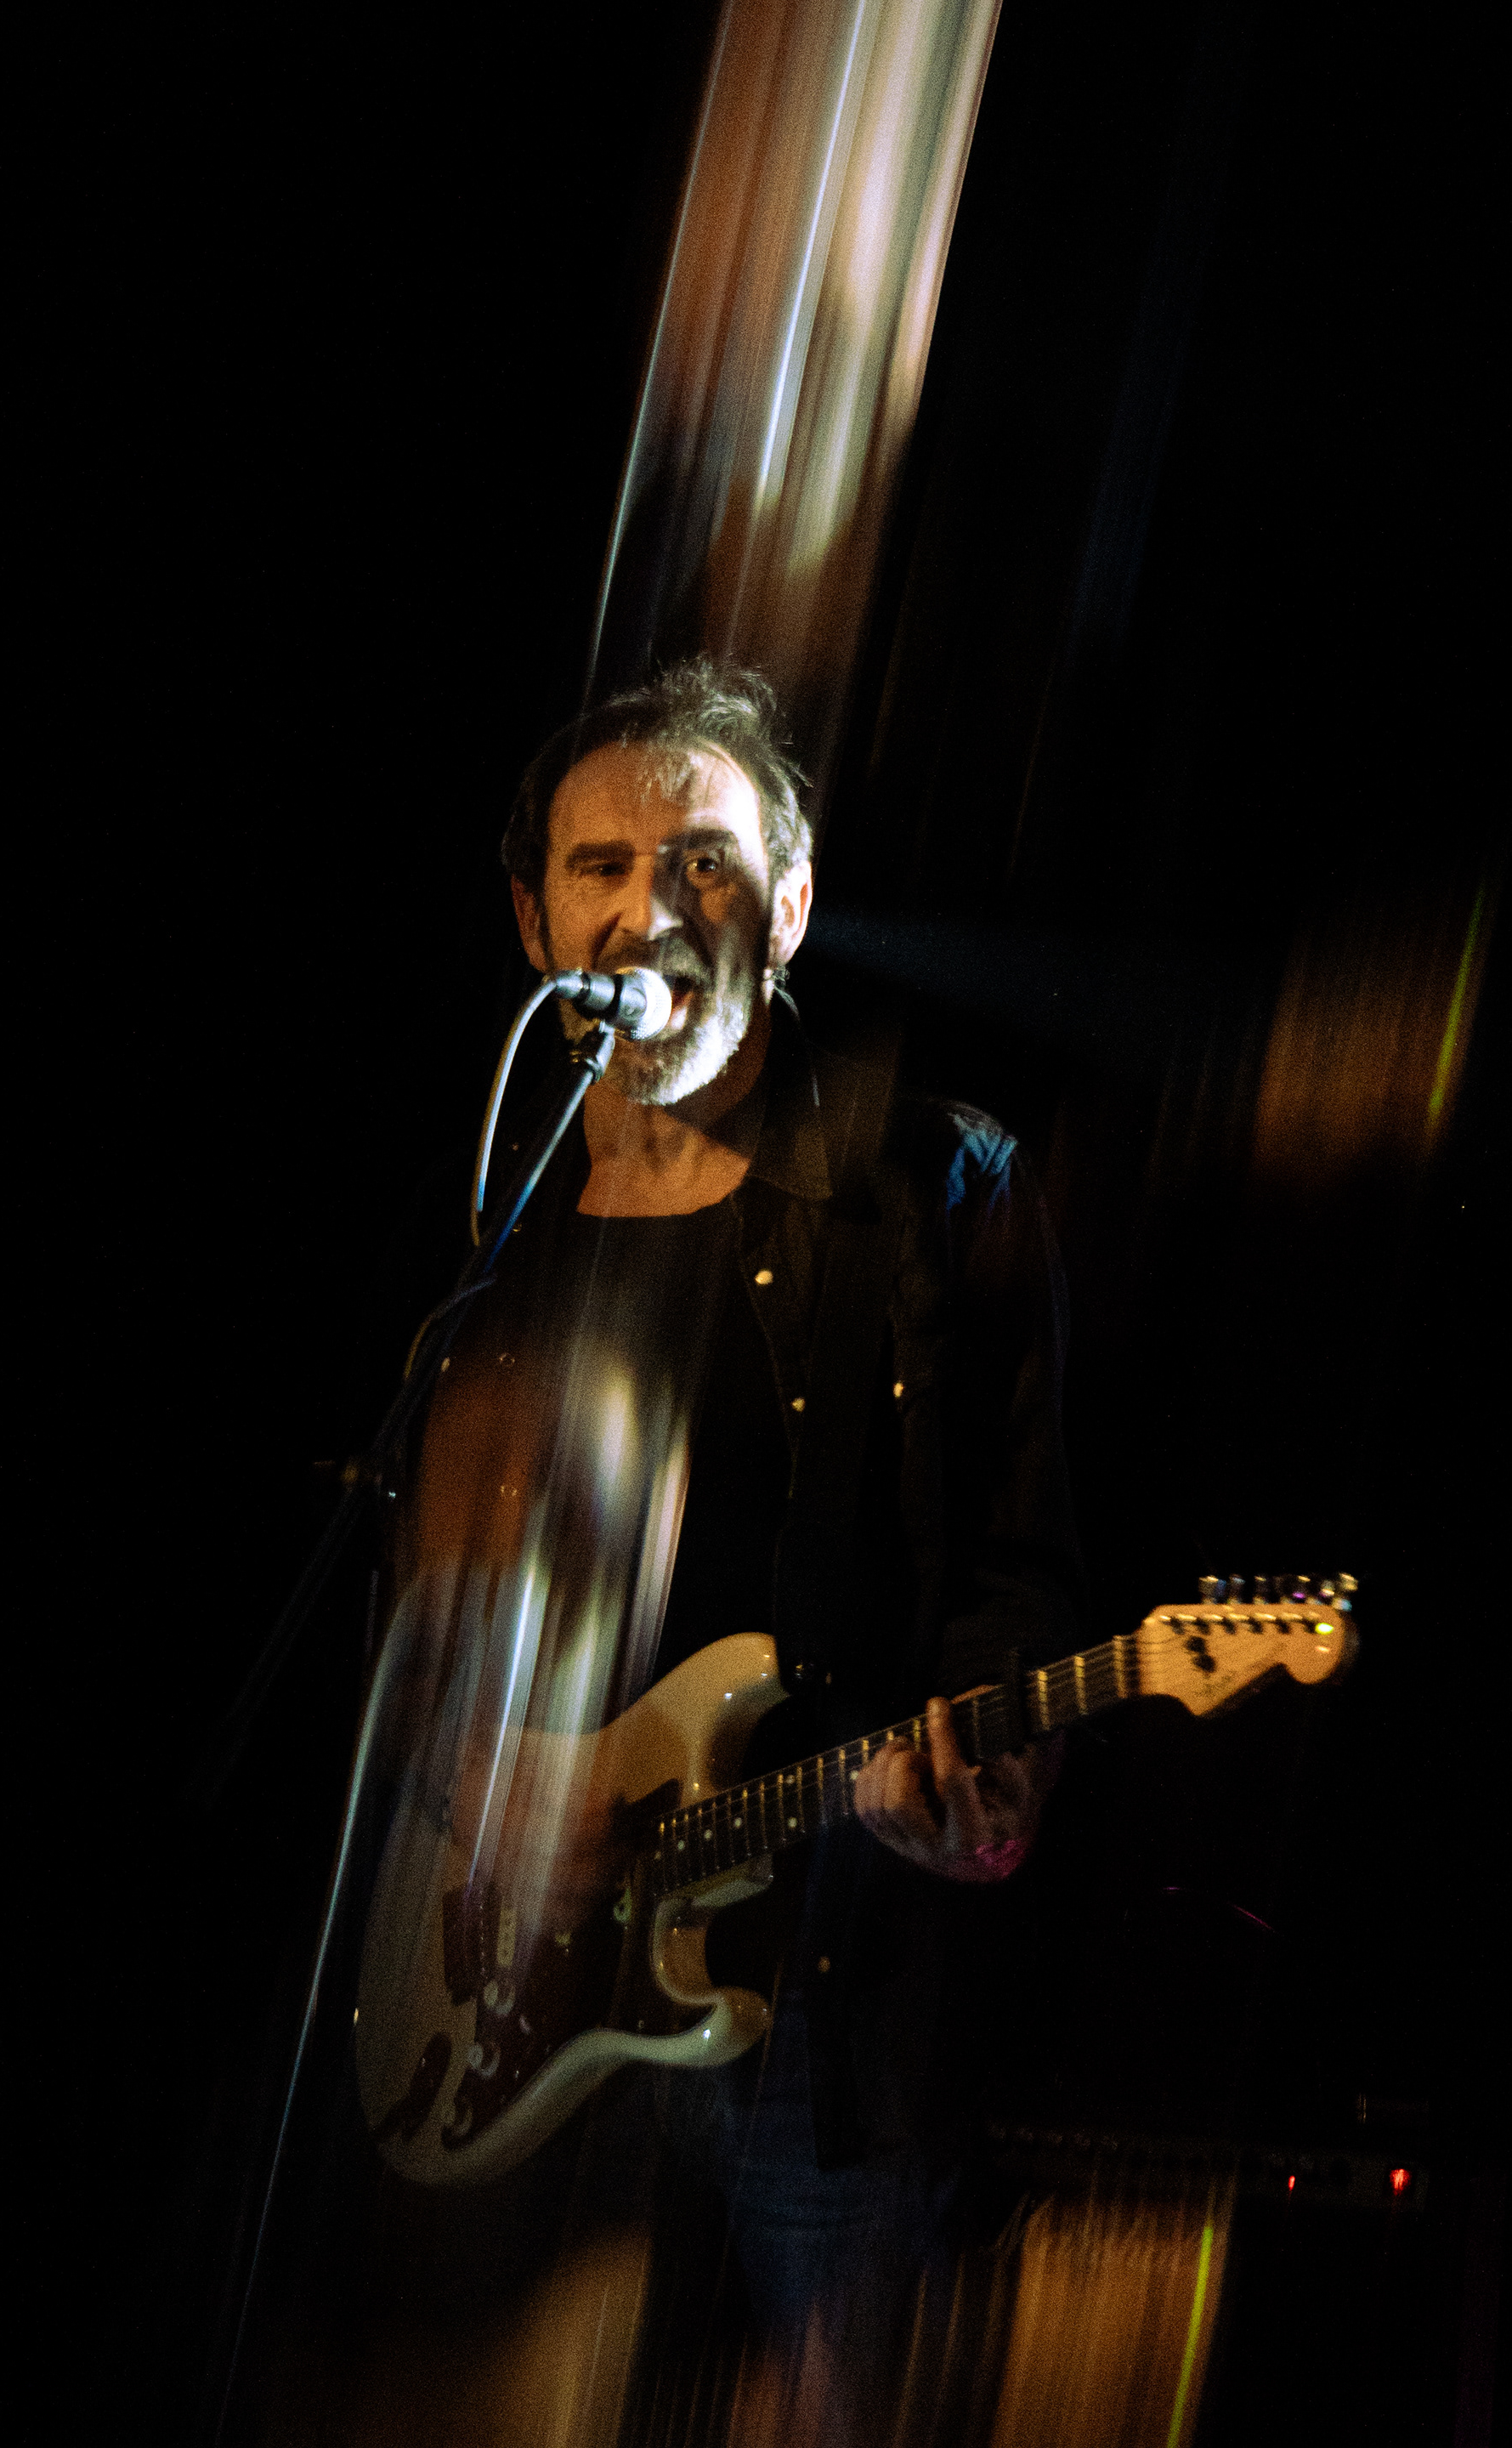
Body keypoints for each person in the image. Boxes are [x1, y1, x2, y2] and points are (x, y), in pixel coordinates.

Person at [367, 656, 1083, 2445]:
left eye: (703, 859)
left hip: (826, 2002)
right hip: (512, 1979)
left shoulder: (937, 1183)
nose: (651, 908)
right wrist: (474, 1782)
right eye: (600, 867)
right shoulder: (488, 1238)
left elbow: (1021, 1575)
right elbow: (413, 1613)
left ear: (794, 902)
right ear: (537, 921)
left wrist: (989, 1779)